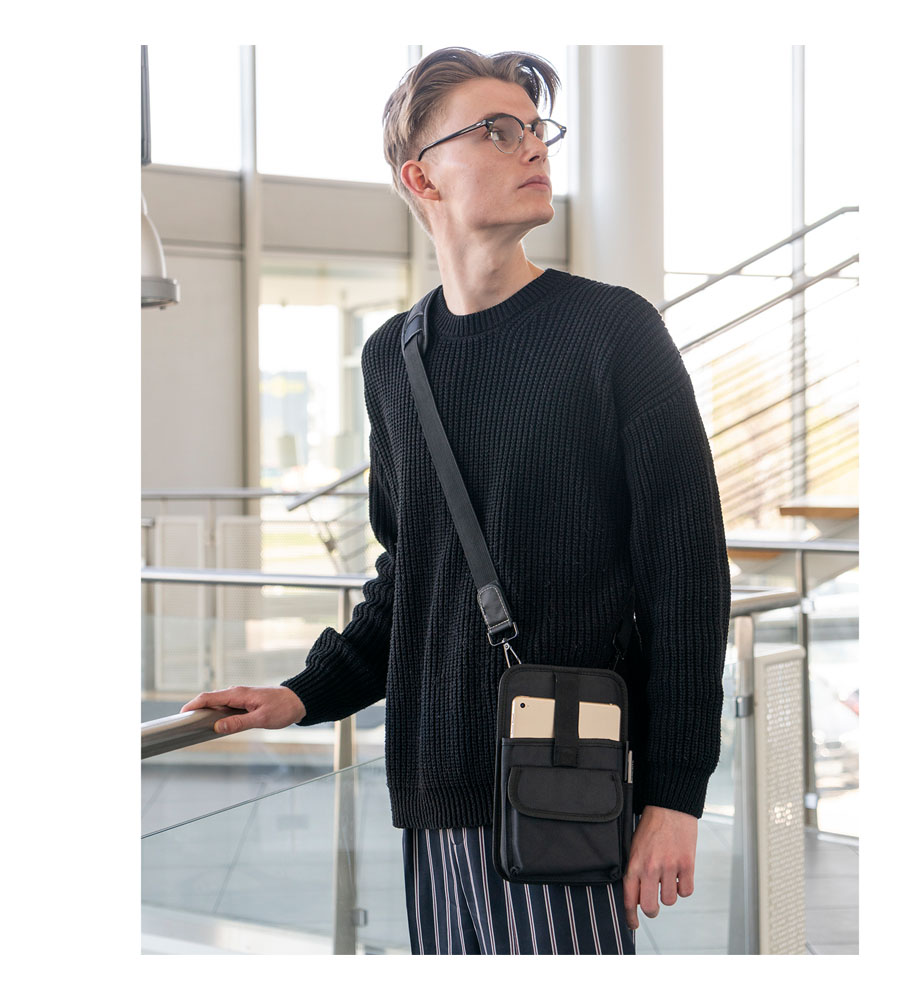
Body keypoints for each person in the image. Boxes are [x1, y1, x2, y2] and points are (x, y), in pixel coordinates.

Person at [181, 46, 731, 955]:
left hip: (570, 785)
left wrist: (676, 795)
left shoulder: (613, 332)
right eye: (498, 131)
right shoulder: (393, 359)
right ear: (421, 175)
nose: (535, 148)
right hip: (432, 789)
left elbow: (688, 579)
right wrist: (303, 695)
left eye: (538, 130)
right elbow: (410, 578)